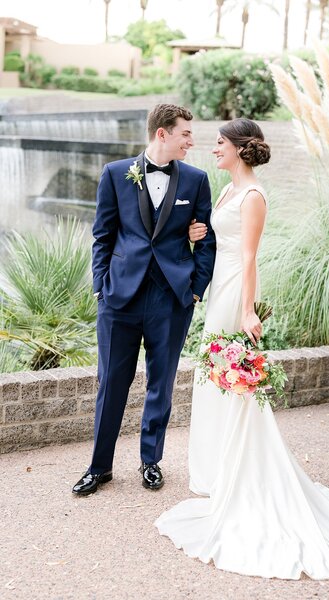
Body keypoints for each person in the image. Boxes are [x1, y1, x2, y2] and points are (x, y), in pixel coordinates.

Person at [155, 118, 329, 579]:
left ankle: (247, 470)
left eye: (221, 144)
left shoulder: (253, 196)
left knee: (236, 381)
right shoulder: (227, 191)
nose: (214, 150)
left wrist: (247, 311)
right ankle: (220, 470)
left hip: (236, 293)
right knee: (215, 379)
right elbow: (219, 238)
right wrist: (198, 235)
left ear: (241, 150)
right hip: (220, 290)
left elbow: (248, 256)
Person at [72, 104, 216, 496]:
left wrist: (195, 288)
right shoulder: (116, 174)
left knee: (161, 382)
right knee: (111, 382)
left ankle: (150, 461)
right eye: (186, 133)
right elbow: (102, 235)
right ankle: (99, 467)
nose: (192, 140)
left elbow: (206, 240)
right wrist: (101, 285)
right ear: (162, 134)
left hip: (171, 298)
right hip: (119, 297)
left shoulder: (196, 180)